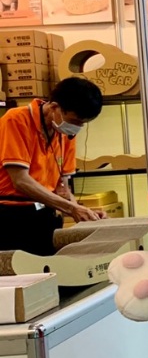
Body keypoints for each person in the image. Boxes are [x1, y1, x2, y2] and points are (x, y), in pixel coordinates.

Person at [0, 77, 105, 255]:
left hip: (45, 213)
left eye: (83, 124)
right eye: (75, 121)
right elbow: (20, 180)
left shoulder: (65, 132)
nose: (77, 127)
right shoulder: (16, 120)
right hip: (10, 216)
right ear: (54, 107)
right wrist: (71, 208)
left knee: (49, 267)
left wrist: (85, 213)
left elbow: (62, 187)